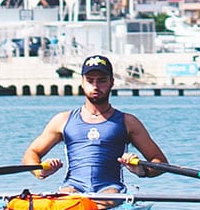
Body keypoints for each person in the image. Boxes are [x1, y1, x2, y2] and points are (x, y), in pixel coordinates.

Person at [22, 55, 167, 193]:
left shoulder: (128, 122)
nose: (96, 86)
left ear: (111, 82)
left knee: (109, 195)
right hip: (72, 188)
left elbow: (160, 163)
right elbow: (31, 154)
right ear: (82, 83)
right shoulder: (62, 120)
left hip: (110, 189)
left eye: (102, 80)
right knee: (67, 196)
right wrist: (40, 171)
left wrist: (141, 170)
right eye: (90, 80)